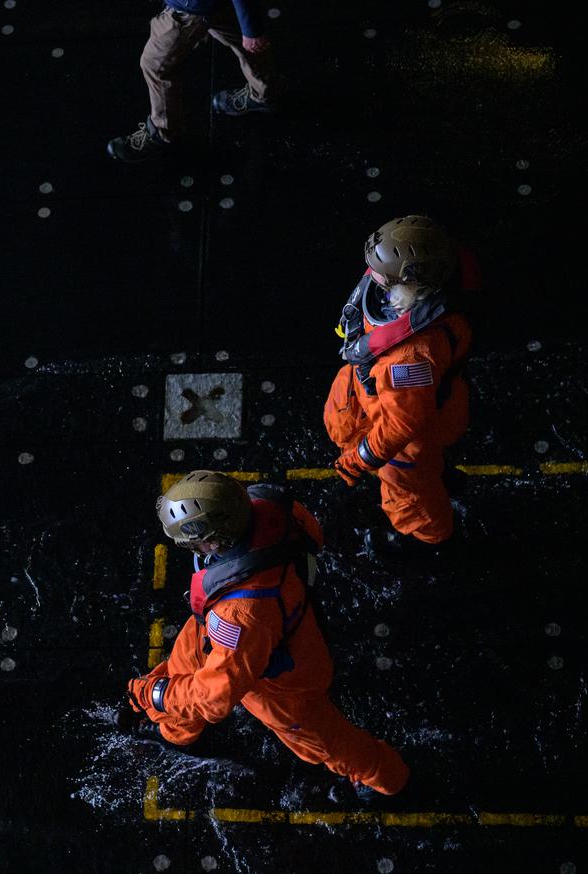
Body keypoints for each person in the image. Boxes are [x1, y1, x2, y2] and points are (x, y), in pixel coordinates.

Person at [119, 471, 409, 796]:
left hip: (283, 684)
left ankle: (383, 776)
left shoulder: (242, 614)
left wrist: (156, 694)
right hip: (242, 622)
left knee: (323, 741)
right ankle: (176, 729)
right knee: (184, 661)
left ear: (214, 541)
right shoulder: (270, 508)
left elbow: (216, 697)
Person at [325, 215, 476, 558]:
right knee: (344, 421)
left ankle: (428, 539)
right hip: (376, 389)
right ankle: (439, 476)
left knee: (407, 490)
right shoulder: (426, 271)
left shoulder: (412, 356)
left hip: (409, 434)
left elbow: (404, 423)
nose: (371, 275)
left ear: (410, 280)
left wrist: (357, 462)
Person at [107, 0, 282, 163]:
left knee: (154, 64)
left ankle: (164, 132)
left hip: (191, 8)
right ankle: (266, 92)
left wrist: (251, 29)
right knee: (245, 39)